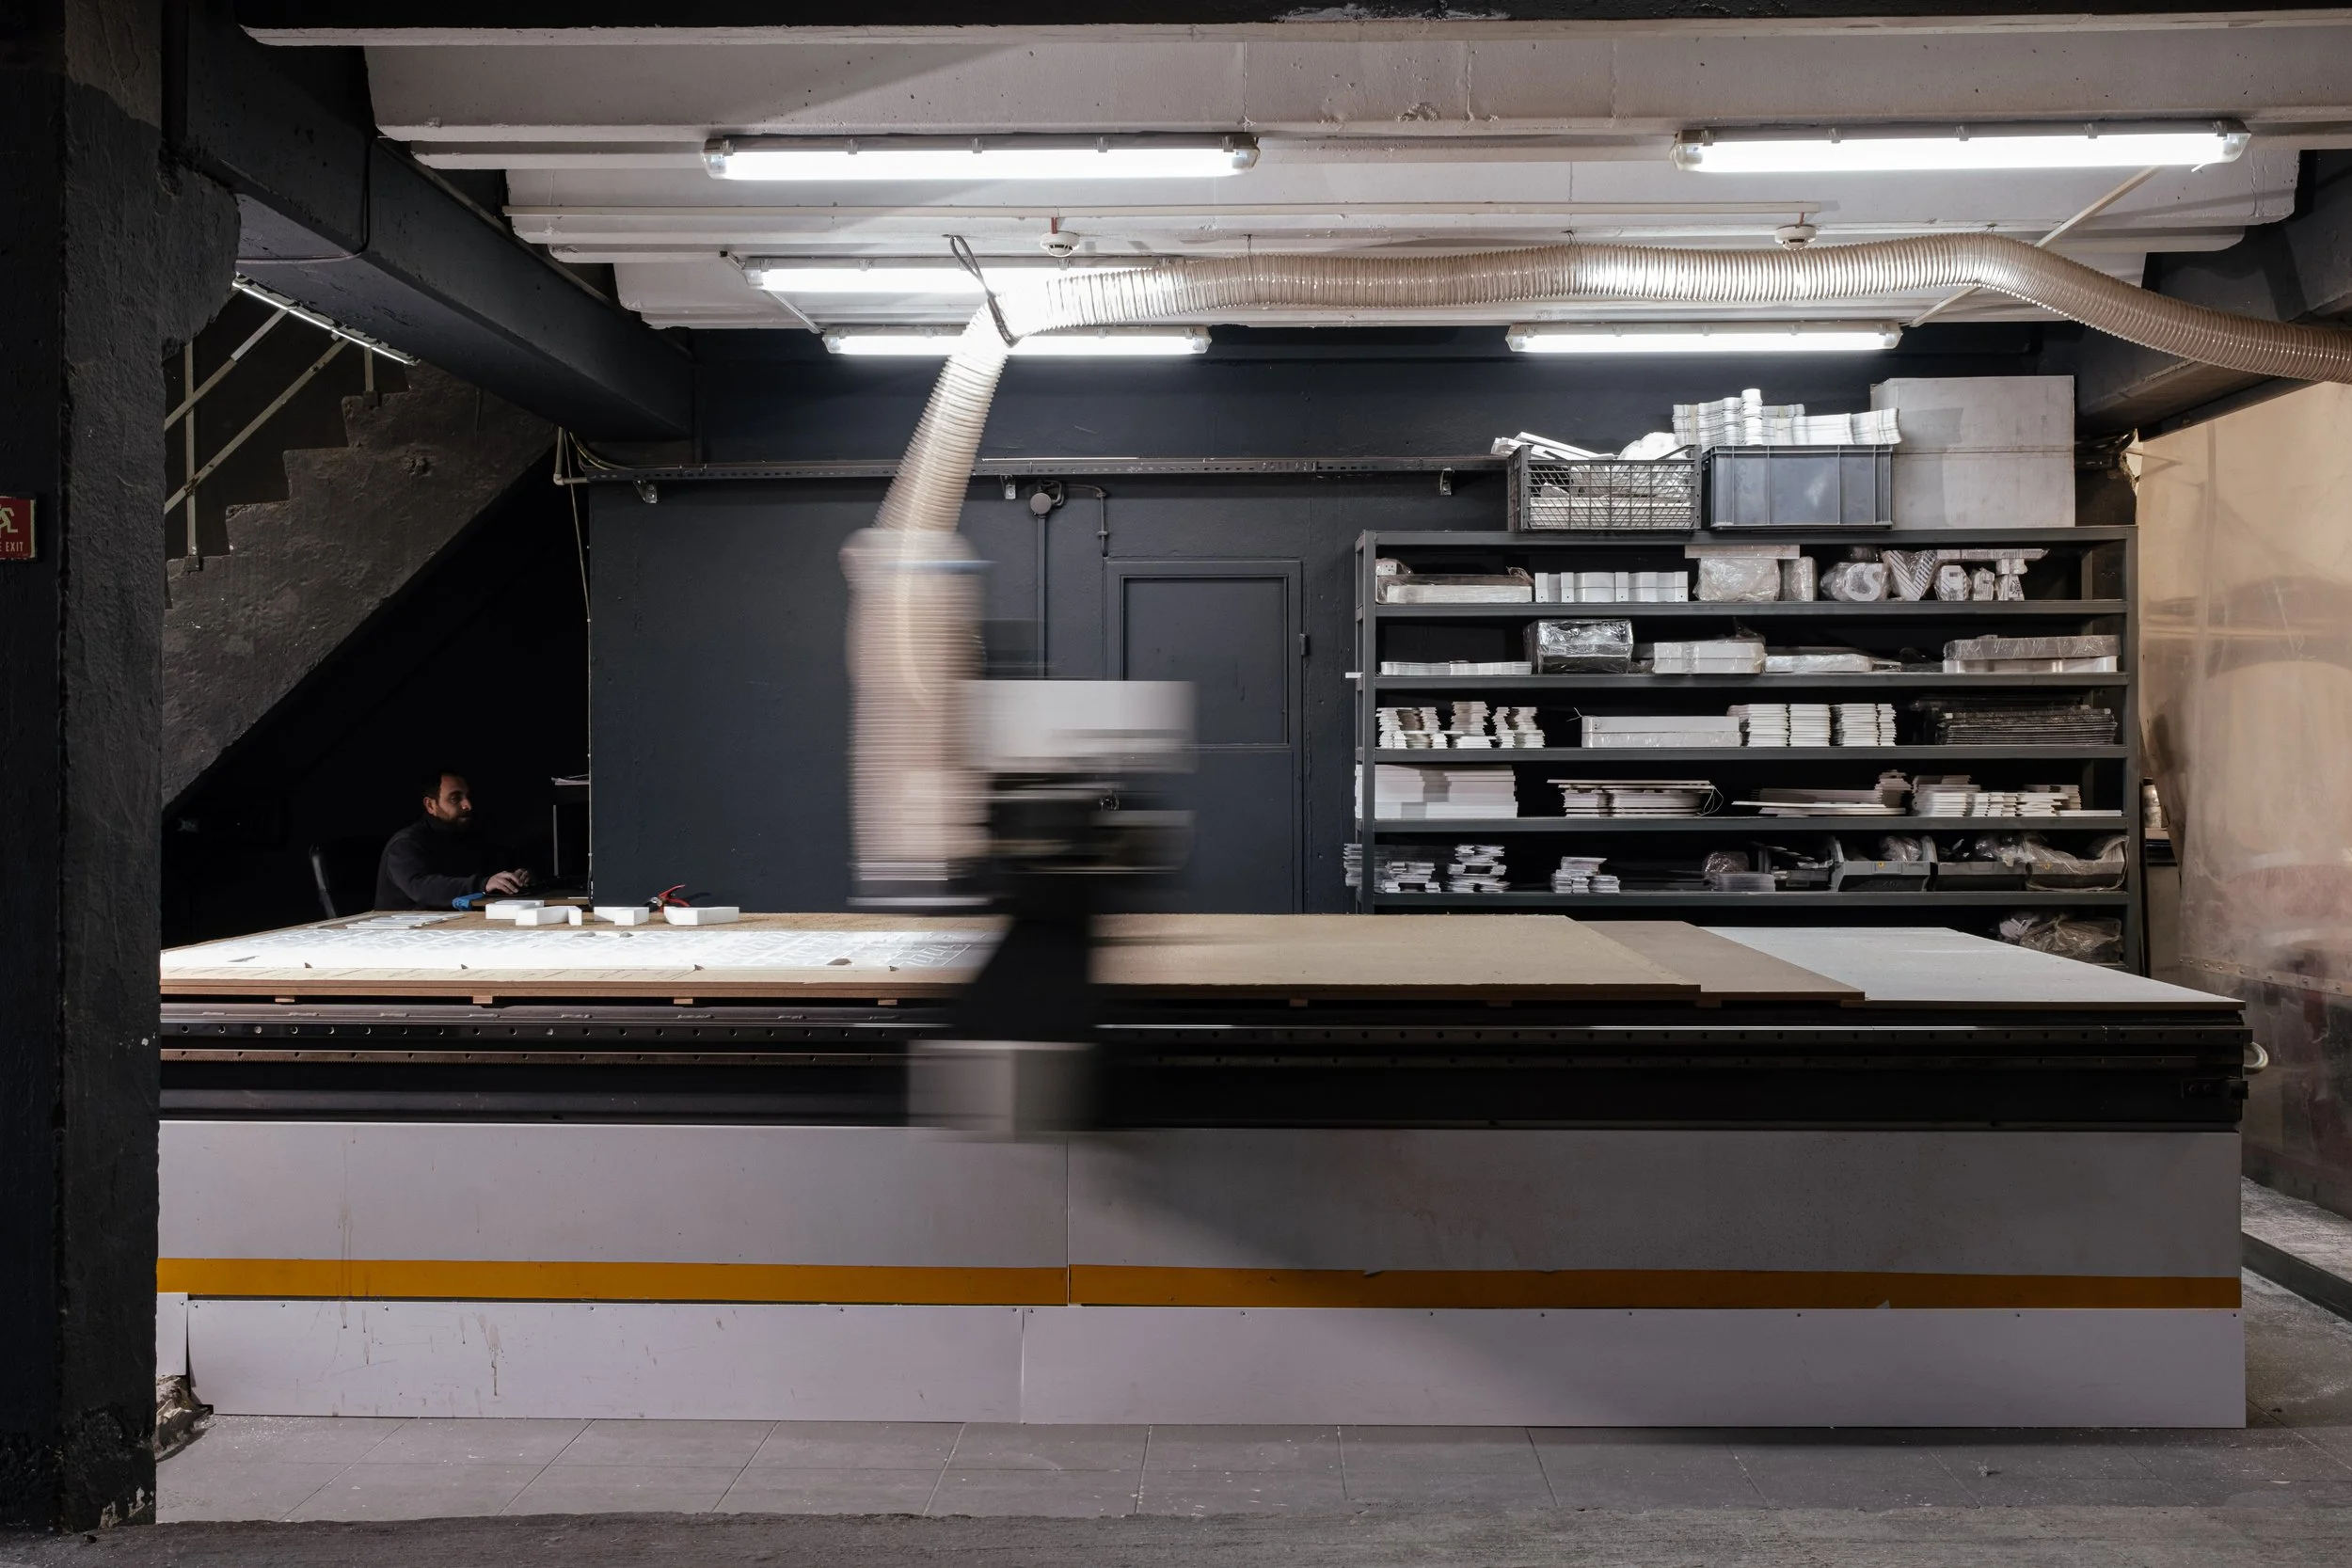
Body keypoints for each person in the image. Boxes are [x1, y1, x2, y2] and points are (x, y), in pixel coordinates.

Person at [374, 768, 536, 910]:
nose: (468, 805)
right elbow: (421, 888)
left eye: (467, 797)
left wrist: (516, 877)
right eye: (455, 798)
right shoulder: (406, 843)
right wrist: (482, 884)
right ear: (430, 805)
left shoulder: (469, 836)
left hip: (454, 926)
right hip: (402, 931)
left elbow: (494, 872)